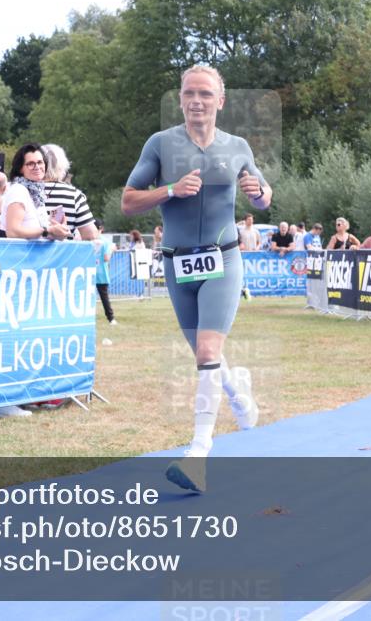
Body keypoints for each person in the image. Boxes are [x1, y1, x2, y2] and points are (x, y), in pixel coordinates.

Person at [121, 64, 269, 492]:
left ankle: (198, 456)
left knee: (207, 350)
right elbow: (128, 201)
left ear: (220, 101)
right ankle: (238, 389)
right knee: (207, 359)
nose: (197, 101)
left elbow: (262, 196)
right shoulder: (161, 144)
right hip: (177, 263)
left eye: (206, 94)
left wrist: (259, 194)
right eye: (190, 93)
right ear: (181, 98)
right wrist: (169, 190)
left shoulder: (237, 146)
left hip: (223, 259)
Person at [0, 143, 70, 240]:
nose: (37, 167)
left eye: (40, 162)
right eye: (30, 164)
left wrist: (58, 231)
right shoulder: (18, 190)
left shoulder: (36, 193)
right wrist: (48, 230)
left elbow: (38, 233)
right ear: (20, 168)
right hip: (20, 254)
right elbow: (12, 232)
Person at [41, 144, 99, 241]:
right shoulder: (74, 195)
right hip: (63, 254)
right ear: (62, 166)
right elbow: (91, 236)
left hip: (27, 254)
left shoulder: (24, 191)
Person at [94, 219, 117, 325]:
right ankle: (111, 318)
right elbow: (106, 258)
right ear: (101, 228)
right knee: (104, 297)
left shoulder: (87, 239)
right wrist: (112, 249)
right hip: (101, 273)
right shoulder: (105, 241)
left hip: (89, 271)